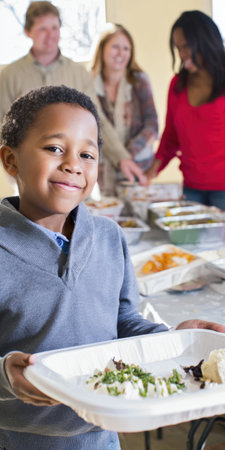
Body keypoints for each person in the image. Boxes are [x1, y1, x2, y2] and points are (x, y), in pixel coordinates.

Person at [0, 86, 225, 450]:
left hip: (102, 437)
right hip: (21, 441)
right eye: (55, 148)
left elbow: (122, 322)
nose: (73, 164)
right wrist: (5, 376)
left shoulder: (108, 237)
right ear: (10, 160)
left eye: (87, 153)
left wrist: (173, 339)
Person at [0, 1, 146, 186]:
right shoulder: (10, 75)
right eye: (43, 28)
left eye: (54, 27)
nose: (50, 35)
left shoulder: (79, 74)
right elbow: (3, 126)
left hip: (72, 172)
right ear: (29, 32)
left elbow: (97, 120)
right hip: (28, 174)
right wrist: (14, 169)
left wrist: (122, 158)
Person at [146, 10, 225, 210]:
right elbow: (171, 137)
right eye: (178, 48)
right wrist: (151, 171)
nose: (181, 54)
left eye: (187, 46)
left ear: (206, 41)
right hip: (191, 190)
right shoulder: (177, 85)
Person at [92, 23, 158, 194]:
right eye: (115, 47)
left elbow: (152, 125)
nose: (121, 53)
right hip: (104, 171)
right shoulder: (89, 85)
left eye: (126, 48)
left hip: (139, 166)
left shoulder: (139, 81)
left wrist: (126, 155)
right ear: (102, 48)